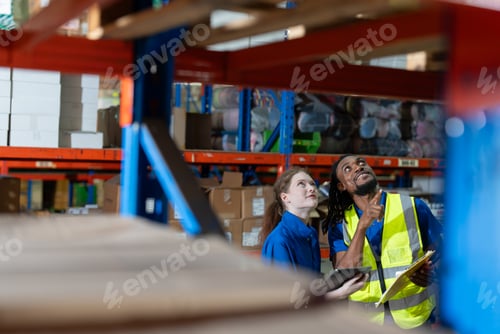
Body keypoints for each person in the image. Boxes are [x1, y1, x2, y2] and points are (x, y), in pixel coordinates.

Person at [323, 154, 443, 329]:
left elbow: (441, 252)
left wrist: (430, 274)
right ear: (342, 186)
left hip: (414, 319)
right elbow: (345, 271)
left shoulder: (413, 206)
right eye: (348, 169)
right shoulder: (341, 224)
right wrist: (362, 226)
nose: (358, 167)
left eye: (361, 163)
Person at [259, 167, 367, 300]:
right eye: (301, 184)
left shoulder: (309, 236)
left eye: (312, 184)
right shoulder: (279, 240)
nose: (311, 188)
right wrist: (339, 294)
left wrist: (338, 281)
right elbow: (288, 299)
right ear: (285, 197)